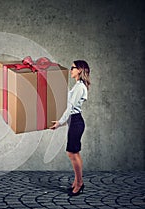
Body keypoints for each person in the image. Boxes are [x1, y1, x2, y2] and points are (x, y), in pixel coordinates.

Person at [49, 60, 90, 196]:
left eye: (73, 68)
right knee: (74, 152)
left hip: (76, 121)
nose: (70, 70)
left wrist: (60, 123)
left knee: (72, 153)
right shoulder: (77, 86)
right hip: (74, 121)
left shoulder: (80, 87)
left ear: (79, 70)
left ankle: (79, 183)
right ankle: (77, 181)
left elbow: (70, 108)